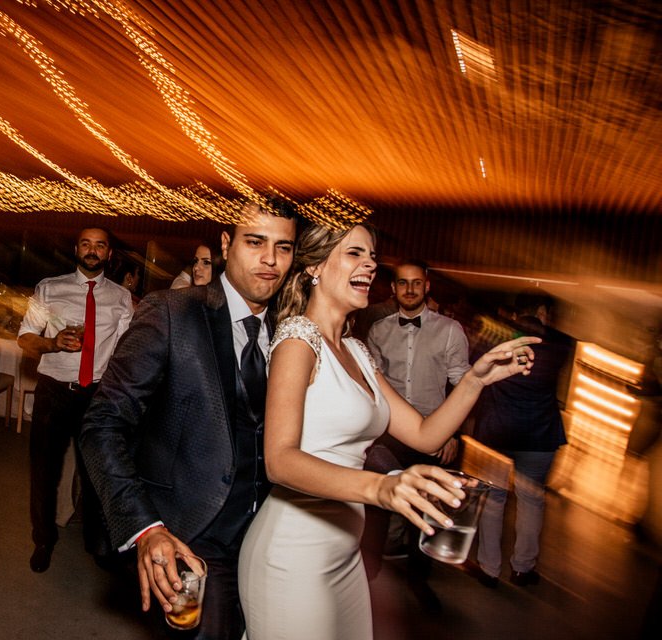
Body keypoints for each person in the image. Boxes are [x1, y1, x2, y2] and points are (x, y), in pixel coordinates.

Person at [237, 221, 540, 640]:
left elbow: (424, 434)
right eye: (355, 253)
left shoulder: (357, 351)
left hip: (344, 554)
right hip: (293, 553)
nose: (370, 266)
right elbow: (280, 461)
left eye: (373, 256)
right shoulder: (296, 341)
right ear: (315, 268)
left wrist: (476, 380)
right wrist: (382, 489)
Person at [80, 198, 299, 640]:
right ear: (225, 243)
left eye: (284, 247)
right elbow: (102, 425)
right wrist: (145, 528)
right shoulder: (171, 312)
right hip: (191, 537)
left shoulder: (292, 332)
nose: (271, 260)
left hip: (270, 541)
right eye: (255, 242)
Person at [17, 227, 134, 573]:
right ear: (76, 249)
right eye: (86, 243)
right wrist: (53, 343)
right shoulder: (50, 288)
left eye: (100, 245)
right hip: (54, 390)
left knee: (97, 473)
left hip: (97, 396)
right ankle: (43, 539)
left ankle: (98, 544)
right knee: (44, 471)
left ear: (109, 254)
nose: (92, 250)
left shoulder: (122, 298)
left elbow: (125, 352)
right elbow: (25, 338)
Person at [362, 258, 471, 610]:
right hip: (389, 435)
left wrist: (454, 435)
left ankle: (418, 580)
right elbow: (372, 389)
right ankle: (367, 574)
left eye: (416, 283)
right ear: (393, 289)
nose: (410, 290)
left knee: (426, 514)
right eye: (403, 283)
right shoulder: (378, 331)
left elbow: (462, 386)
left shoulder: (451, 331)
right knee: (376, 505)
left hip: (434, 434)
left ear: (427, 287)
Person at [472, 289, 573, 588]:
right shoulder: (563, 343)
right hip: (539, 435)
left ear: (516, 313)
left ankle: (489, 569)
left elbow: (474, 366)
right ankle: (522, 568)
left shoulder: (495, 337)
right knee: (531, 502)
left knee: (493, 500)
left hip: (496, 432)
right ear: (543, 311)